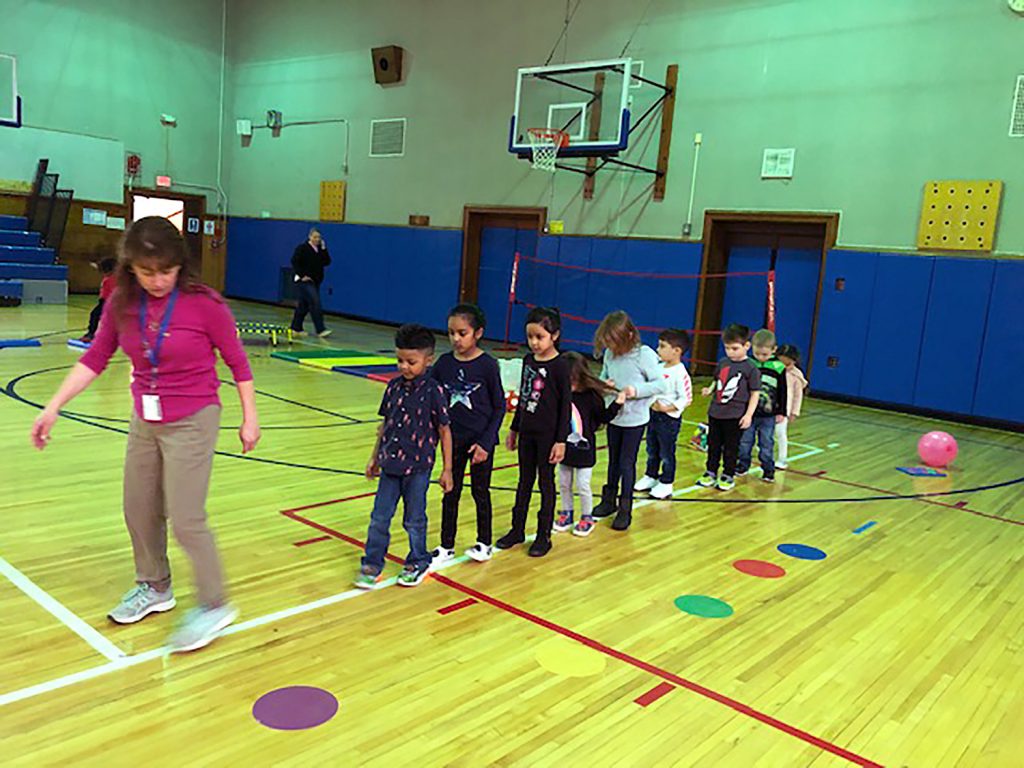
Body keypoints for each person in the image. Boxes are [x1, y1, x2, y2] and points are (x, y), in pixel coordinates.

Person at [30, 216, 260, 653]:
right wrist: (53, 406)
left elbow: (237, 363)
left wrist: (250, 418)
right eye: (147, 271)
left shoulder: (205, 304)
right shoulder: (121, 302)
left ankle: (214, 604)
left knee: (187, 518)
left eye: (166, 271)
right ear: (130, 267)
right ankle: (155, 586)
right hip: (145, 418)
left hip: (194, 417)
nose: (157, 281)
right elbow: (95, 358)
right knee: (138, 507)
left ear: (180, 266)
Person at [357, 324, 453, 589]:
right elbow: (385, 425)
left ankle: (418, 560)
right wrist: (374, 457)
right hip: (390, 466)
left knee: (414, 519)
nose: (404, 367)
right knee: (379, 517)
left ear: (428, 359)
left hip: (418, 469)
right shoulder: (393, 388)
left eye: (411, 362)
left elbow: (445, 431)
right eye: (400, 360)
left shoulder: (434, 392)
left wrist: (448, 470)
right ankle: (372, 563)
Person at [429, 304, 504, 567]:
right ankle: (446, 545)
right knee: (451, 491)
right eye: (451, 333)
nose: (456, 339)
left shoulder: (487, 365)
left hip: (479, 443)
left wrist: (486, 442)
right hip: (452, 441)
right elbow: (429, 392)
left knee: (480, 492)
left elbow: (499, 407)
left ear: (478, 333)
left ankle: (484, 542)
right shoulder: (444, 363)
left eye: (462, 333)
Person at [496, 307, 571, 558]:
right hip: (527, 433)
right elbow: (526, 395)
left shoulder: (561, 366)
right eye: (530, 337)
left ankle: (543, 535)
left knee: (546, 483)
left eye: (540, 337)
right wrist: (514, 428)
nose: (534, 342)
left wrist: (560, 440)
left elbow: (564, 408)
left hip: (548, 437)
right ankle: (517, 530)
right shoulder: (528, 361)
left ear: (555, 336)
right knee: (524, 482)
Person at [591, 311, 667, 531]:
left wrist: (636, 390)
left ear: (629, 336)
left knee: (626, 463)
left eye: (615, 341)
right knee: (613, 461)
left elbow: (659, 385)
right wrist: (604, 385)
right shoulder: (609, 355)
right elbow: (605, 376)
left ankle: (625, 508)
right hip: (615, 417)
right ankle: (609, 501)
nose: (611, 346)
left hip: (635, 420)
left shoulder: (644, 355)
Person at [552, 351, 625, 537]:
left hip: (584, 450)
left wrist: (617, 403)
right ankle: (566, 513)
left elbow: (604, 417)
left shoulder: (591, 397)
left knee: (583, 486)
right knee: (564, 484)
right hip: (565, 448)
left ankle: (587, 517)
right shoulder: (561, 395)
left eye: (572, 379)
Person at [695, 323, 761, 492]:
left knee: (731, 448)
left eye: (735, 348)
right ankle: (710, 472)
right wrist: (709, 389)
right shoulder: (723, 363)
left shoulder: (751, 368)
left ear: (747, 346)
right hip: (716, 412)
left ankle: (728, 475)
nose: (730, 352)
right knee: (713, 445)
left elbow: (755, 393)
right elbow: (717, 380)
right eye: (727, 348)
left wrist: (748, 415)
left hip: (735, 415)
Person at [634, 328, 693, 499]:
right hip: (652, 415)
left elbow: (686, 398)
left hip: (668, 420)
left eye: (662, 346)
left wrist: (667, 408)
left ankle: (666, 482)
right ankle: (650, 475)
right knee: (652, 447)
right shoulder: (658, 368)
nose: (658, 350)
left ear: (676, 351)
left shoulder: (681, 373)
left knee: (666, 452)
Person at [736, 329, 787, 482]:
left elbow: (783, 391)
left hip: (769, 415)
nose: (760, 357)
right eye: (757, 353)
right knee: (745, 442)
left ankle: (768, 469)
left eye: (765, 354)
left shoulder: (778, 367)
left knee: (766, 443)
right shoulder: (749, 363)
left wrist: (781, 411)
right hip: (748, 413)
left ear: (774, 350)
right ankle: (743, 465)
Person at [290, 227, 332, 338]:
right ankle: (320, 329)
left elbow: (327, 262)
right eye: (315, 237)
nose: (317, 239)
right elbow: (294, 261)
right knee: (315, 302)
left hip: (316, 281)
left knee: (304, 305)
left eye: (319, 237)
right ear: (310, 237)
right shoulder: (302, 248)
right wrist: (302, 275)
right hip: (305, 281)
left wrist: (324, 249)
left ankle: (295, 327)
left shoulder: (320, 250)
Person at [774, 343, 808, 470]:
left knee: (780, 434)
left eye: (787, 362)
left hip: (784, 410)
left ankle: (782, 459)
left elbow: (798, 396)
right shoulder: (773, 368)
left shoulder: (795, 375)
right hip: (768, 407)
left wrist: (794, 412)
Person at [80, 257, 117, 343]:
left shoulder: (112, 279)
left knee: (95, 315)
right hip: (105, 301)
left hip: (108, 302)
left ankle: (91, 334)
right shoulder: (110, 277)